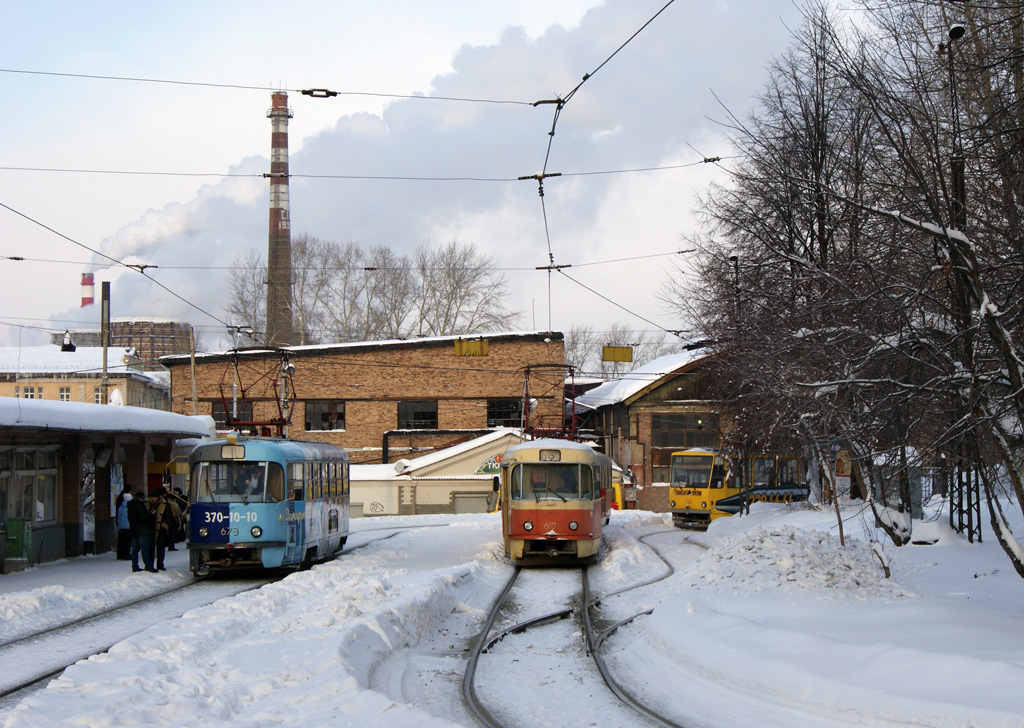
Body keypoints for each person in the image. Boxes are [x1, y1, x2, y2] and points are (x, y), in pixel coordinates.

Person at [127, 490, 157, 573]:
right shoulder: (140, 506)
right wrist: (151, 514)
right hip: (142, 531)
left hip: (134, 530)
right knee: (145, 549)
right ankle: (148, 566)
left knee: (135, 550)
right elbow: (144, 518)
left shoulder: (130, 506)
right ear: (141, 498)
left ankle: (134, 566)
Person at [151, 488, 181, 571]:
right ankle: (150, 565)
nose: (154, 499)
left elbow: (168, 515)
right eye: (152, 497)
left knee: (160, 547)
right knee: (151, 548)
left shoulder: (165, 504)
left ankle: (160, 564)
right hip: (151, 528)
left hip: (161, 529)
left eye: (155, 497)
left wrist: (164, 525)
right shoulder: (148, 503)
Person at [114, 485, 133, 560]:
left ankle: (120, 554)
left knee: (121, 540)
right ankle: (126, 554)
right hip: (128, 526)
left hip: (121, 526)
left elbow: (118, 516)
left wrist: (118, 525)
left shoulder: (120, 506)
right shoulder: (130, 506)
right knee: (128, 541)